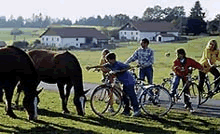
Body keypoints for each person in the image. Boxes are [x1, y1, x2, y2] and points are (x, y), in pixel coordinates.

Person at [86, 52, 141, 117]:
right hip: (123, 82)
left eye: (108, 60)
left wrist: (119, 71)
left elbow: (128, 67)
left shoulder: (119, 64)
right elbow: (101, 66)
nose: (107, 62)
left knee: (132, 96)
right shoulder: (110, 64)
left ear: (112, 59)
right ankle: (126, 111)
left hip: (129, 81)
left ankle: (137, 110)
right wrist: (91, 67)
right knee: (124, 97)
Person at [171, 48, 203, 112]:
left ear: (183, 54)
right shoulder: (176, 61)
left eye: (180, 54)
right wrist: (178, 69)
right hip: (178, 74)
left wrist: (200, 67)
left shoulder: (189, 60)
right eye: (178, 54)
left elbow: (195, 64)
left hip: (185, 75)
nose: (179, 56)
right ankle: (172, 94)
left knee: (186, 88)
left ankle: (187, 103)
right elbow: (174, 68)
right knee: (175, 82)